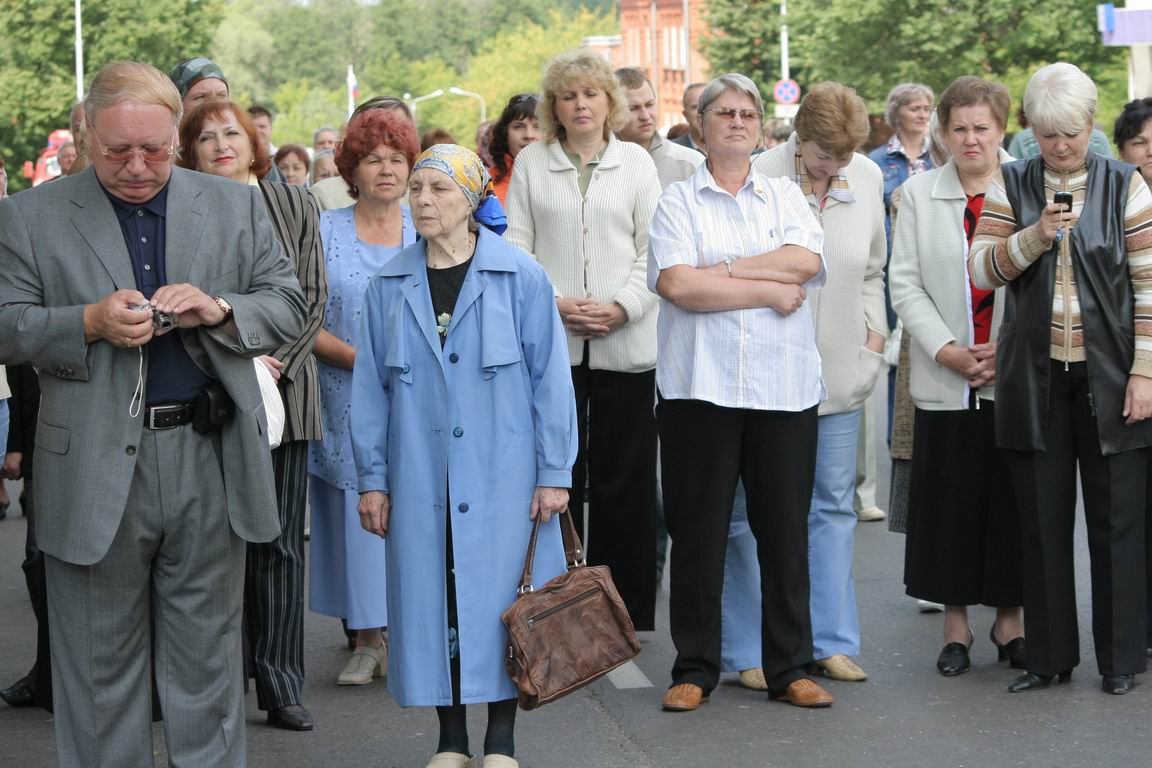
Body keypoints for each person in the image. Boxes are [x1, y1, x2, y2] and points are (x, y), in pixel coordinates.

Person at [0, 60, 307, 765]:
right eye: (117, 151)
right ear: (85, 133)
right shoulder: (28, 215)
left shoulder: (233, 205)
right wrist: (86, 322)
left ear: (177, 134)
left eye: (155, 150)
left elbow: (288, 303)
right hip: (90, 465)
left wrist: (220, 308)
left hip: (209, 456)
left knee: (208, 668)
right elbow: (5, 323)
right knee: (98, 674)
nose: (138, 167)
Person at [352, 144, 576, 768]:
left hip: (505, 477)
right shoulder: (389, 283)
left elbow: (551, 382)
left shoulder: (520, 275)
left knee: (504, 602)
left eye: (439, 189)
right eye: (417, 189)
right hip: (420, 477)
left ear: (473, 198)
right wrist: (372, 480)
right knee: (436, 601)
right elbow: (370, 391)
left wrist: (554, 472)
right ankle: (450, 740)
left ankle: (501, 741)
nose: (423, 201)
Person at [649, 72, 833, 713]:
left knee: (784, 535)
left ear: (760, 128)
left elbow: (806, 263)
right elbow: (679, 287)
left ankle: (790, 667)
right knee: (698, 534)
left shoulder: (784, 195)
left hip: (784, 388)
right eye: (723, 112)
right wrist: (766, 287)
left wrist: (723, 271)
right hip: (699, 388)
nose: (736, 121)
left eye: (747, 114)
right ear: (700, 127)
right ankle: (695, 668)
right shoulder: (677, 201)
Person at [969, 62, 1152, 696]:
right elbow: (981, 270)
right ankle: (1048, 658)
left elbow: (1148, 287)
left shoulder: (1126, 184)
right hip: (1033, 377)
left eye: (1071, 133)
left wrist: (1145, 372)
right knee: (1041, 524)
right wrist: (1036, 235)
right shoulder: (1010, 182)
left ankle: (1120, 660)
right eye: (1048, 135)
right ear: (1031, 131)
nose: (1062, 146)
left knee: (1117, 523)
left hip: (1113, 376)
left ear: (1091, 122)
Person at [713, 81, 887, 689]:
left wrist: (873, 341)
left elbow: (873, 269)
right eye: (822, 155)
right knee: (747, 512)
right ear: (798, 137)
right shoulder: (757, 175)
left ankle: (829, 640)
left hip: (841, 369)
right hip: (763, 375)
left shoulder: (867, 177)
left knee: (831, 507)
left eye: (844, 156)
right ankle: (748, 649)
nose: (833, 167)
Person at [177, 99, 328, 730]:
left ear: (253, 141)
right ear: (189, 150)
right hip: (210, 395)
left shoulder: (293, 202)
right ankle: (217, 684)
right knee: (212, 544)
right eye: (205, 136)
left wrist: (273, 361)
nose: (221, 144)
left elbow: (312, 296)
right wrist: (237, 357)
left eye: (231, 132)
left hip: (286, 392)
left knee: (280, 544)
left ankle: (281, 684)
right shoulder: (178, 207)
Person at [506, 49, 662, 633]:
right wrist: (554, 304)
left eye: (591, 94)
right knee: (555, 479)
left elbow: (654, 250)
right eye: (568, 96)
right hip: (554, 348)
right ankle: (554, 604)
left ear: (609, 101)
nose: (580, 105)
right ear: (554, 105)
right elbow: (516, 249)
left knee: (626, 483)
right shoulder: (532, 161)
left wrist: (622, 307)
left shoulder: (636, 163)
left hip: (627, 344)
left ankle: (624, 612)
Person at [890, 76, 1025, 678]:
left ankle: (1011, 623)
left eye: (982, 128)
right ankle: (956, 628)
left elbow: (1047, 283)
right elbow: (904, 284)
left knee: (1012, 504)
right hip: (946, 378)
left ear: (1002, 129)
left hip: (1013, 375)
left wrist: (1006, 349)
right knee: (950, 506)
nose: (971, 139)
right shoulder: (918, 195)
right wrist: (947, 351)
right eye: (960, 128)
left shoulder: (1028, 186)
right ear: (942, 133)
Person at [309, 107, 418, 686]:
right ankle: (369, 640)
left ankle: (418, 631)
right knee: (361, 514)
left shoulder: (428, 226)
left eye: (397, 159)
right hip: (345, 394)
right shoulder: (324, 231)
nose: (386, 169)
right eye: (373, 159)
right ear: (351, 169)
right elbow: (304, 320)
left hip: (420, 397)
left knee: (420, 508)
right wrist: (366, 363)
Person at [868, 82, 935, 450]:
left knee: (936, 344)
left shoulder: (941, 155)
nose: (923, 114)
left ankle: (931, 435)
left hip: (936, 264)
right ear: (896, 114)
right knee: (900, 351)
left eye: (927, 108)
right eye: (914, 108)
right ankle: (901, 437)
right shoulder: (877, 161)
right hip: (895, 266)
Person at [1114, 96, 1152, 658]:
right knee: (1135, 508)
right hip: (1130, 371)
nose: (1150, 152)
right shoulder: (1113, 202)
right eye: (1140, 142)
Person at [0, 363, 50, 711]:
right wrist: (14, 446)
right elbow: (15, 375)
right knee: (39, 561)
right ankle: (46, 671)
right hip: (39, 450)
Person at [311, 96, 415, 211]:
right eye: (381, 127)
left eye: (403, 129)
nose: (395, 135)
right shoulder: (325, 195)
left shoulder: (418, 196)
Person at [615, 67, 705, 188]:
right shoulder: (595, 164)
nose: (645, 116)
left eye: (649, 104)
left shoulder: (691, 164)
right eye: (633, 108)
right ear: (612, 112)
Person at [488, 94, 539, 205]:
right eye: (519, 126)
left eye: (538, 126)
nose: (529, 135)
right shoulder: (484, 186)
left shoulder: (570, 178)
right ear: (504, 133)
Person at [1010, 106, 1113, 160]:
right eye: (1049, 135)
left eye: (1071, 134)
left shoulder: (1098, 141)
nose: (1060, 147)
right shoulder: (1023, 141)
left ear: (1089, 126)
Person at [672, 82, 706, 153]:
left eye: (706, 105)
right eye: (695, 107)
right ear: (686, 115)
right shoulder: (672, 151)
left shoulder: (729, 147)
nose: (702, 111)